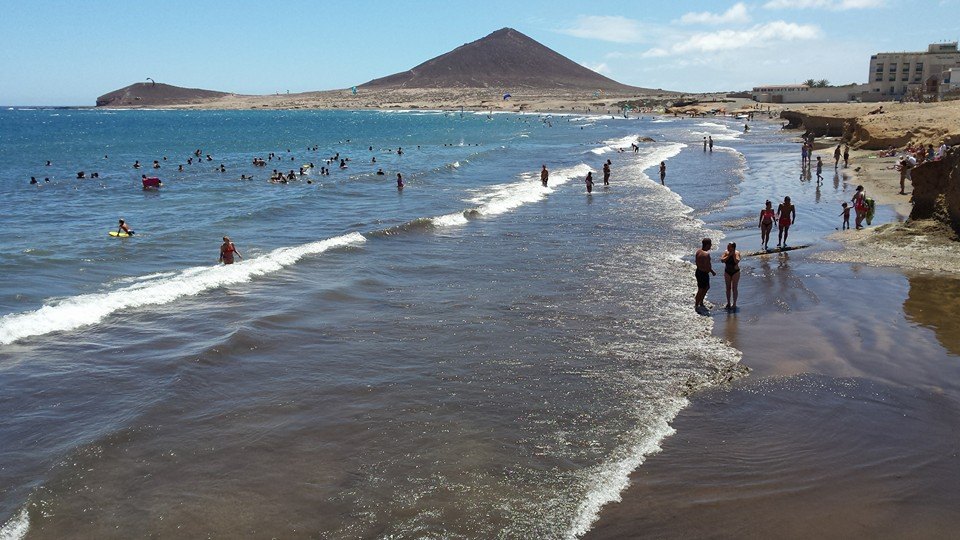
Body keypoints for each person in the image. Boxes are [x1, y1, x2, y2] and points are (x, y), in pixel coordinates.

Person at [695, 238, 716, 311]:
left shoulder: (698, 251)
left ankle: (700, 302)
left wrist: (712, 271)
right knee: (701, 289)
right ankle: (697, 304)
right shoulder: (706, 255)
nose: (711, 246)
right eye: (710, 244)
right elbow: (708, 266)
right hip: (703, 273)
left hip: (698, 271)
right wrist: (711, 271)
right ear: (707, 245)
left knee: (705, 287)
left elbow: (697, 262)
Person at [720, 242, 741, 310]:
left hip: (735, 272)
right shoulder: (726, 252)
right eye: (727, 246)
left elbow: (737, 261)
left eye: (729, 246)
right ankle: (728, 303)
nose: (727, 247)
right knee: (728, 288)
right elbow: (722, 260)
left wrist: (733, 254)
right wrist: (729, 255)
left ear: (733, 247)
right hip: (727, 271)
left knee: (734, 288)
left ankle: (734, 303)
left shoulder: (737, 252)